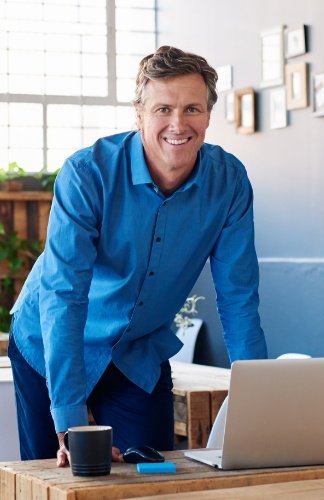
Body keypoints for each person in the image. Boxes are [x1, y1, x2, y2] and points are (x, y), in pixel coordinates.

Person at [8, 45, 268, 465]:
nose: (178, 124)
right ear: (139, 113)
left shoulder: (229, 182)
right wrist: (72, 418)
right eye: (163, 108)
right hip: (49, 343)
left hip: (136, 353)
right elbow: (65, 296)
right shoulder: (87, 174)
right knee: (55, 478)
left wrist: (262, 399)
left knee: (152, 479)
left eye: (192, 109)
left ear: (208, 114)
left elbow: (239, 298)